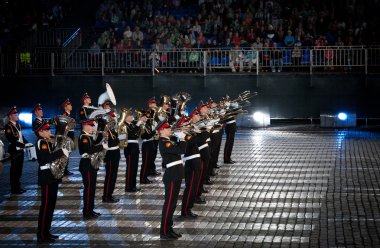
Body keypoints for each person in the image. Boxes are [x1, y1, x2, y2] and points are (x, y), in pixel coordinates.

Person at [35, 121, 69, 243]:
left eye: (50, 130)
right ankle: (41, 234)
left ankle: (46, 232)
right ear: (40, 132)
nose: (50, 132)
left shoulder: (49, 141)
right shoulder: (41, 142)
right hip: (46, 177)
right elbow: (45, 159)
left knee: (51, 206)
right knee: (46, 206)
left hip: (52, 176)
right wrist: (60, 152)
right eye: (47, 130)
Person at [157, 121, 186, 240]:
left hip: (176, 174)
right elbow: (181, 150)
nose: (170, 130)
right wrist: (183, 139)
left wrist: (180, 136)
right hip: (172, 175)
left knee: (173, 204)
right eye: (167, 128)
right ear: (161, 131)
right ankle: (164, 231)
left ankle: (169, 229)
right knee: (169, 204)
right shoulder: (164, 143)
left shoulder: (169, 140)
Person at [78, 119, 107, 219]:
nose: (93, 128)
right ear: (85, 126)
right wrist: (101, 147)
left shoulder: (88, 136)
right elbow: (88, 150)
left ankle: (90, 209)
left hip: (91, 165)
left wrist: (102, 132)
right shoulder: (83, 137)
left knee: (92, 189)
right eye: (91, 126)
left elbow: (96, 143)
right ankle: (86, 212)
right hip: (86, 165)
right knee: (89, 189)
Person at [4, 106, 33, 194]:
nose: (17, 115)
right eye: (15, 114)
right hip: (14, 151)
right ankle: (14, 188)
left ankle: (18, 187)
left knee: (19, 170)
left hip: (20, 150)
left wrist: (28, 143)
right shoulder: (9, 126)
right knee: (14, 170)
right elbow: (11, 139)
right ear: (10, 116)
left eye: (17, 113)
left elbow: (21, 137)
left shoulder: (18, 125)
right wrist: (23, 145)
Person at [180, 110, 202, 218]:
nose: (188, 125)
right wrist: (194, 131)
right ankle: (185, 210)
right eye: (186, 124)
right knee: (190, 187)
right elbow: (193, 142)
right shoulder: (184, 136)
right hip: (191, 162)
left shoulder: (189, 134)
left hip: (195, 161)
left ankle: (189, 208)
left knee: (194, 186)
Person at [124, 108, 147, 192]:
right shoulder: (124, 125)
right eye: (130, 115)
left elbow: (137, 134)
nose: (132, 116)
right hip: (130, 147)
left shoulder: (131, 124)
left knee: (134, 168)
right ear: (126, 117)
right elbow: (132, 134)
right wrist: (138, 123)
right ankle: (128, 187)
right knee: (130, 168)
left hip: (134, 146)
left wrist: (139, 124)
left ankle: (133, 185)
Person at [146, 97, 160, 176]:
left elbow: (158, 121)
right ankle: (149, 169)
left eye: (155, 103)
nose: (155, 105)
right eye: (153, 104)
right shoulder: (148, 112)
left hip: (156, 134)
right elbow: (149, 121)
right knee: (151, 154)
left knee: (154, 153)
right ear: (150, 105)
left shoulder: (156, 112)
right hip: (151, 134)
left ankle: (152, 169)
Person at [60, 99, 74, 176]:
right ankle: (63, 170)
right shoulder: (64, 116)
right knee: (65, 154)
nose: (71, 106)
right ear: (65, 107)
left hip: (70, 136)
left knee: (68, 154)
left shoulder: (69, 115)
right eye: (69, 105)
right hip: (67, 137)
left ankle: (65, 169)